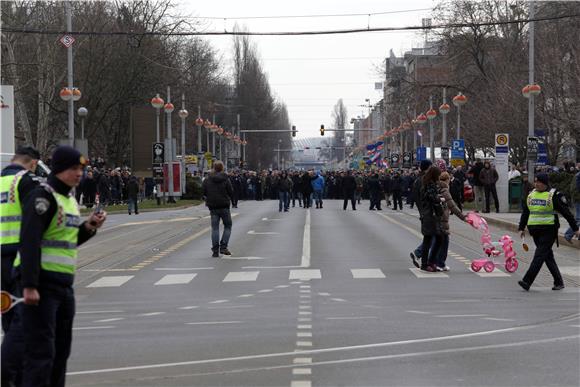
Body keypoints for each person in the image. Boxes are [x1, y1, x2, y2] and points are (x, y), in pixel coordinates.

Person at [1, 146, 106, 387]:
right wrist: (29, 285)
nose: (79, 174)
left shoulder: (68, 199)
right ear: (58, 170)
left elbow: (67, 241)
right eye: (73, 169)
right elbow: (30, 241)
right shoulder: (43, 196)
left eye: (81, 169)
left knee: (60, 354)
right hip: (42, 285)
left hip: (63, 285)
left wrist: (89, 226)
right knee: (40, 354)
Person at [0, 146, 41, 334]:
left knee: (6, 308)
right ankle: (17, 354)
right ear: (33, 163)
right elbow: (35, 219)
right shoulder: (25, 181)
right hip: (18, 255)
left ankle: (8, 351)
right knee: (23, 310)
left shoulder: (1, 181)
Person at [518, 173, 579, 291]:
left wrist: (575, 229)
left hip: (549, 230)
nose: (537, 184)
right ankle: (559, 282)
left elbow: (566, 213)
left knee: (539, 256)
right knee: (547, 256)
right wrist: (521, 228)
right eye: (536, 181)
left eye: (539, 182)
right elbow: (526, 212)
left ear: (545, 183)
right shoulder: (531, 194)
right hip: (535, 230)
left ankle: (527, 281)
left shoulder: (553, 195)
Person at [202, 161, 234, 257]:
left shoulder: (207, 179)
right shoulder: (226, 179)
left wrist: (208, 198)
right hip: (224, 205)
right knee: (228, 226)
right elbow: (231, 192)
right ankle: (223, 246)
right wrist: (231, 199)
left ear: (213, 168)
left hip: (213, 206)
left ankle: (215, 250)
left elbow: (203, 192)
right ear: (222, 168)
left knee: (215, 228)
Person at [436, 172, 467, 271]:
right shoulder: (445, 190)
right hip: (442, 219)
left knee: (438, 242)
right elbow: (452, 206)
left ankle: (436, 262)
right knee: (443, 242)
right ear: (447, 180)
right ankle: (440, 263)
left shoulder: (437, 188)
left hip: (437, 218)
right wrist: (463, 217)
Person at [417, 166, 444, 272]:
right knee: (429, 239)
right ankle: (425, 264)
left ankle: (430, 262)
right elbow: (431, 198)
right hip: (430, 215)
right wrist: (439, 198)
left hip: (430, 214)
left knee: (435, 238)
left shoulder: (428, 183)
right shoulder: (429, 184)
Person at [564, 167, 580, 243]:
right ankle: (568, 234)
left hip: (577, 199)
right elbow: (577, 188)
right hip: (578, 199)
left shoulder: (577, 175)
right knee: (578, 219)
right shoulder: (578, 176)